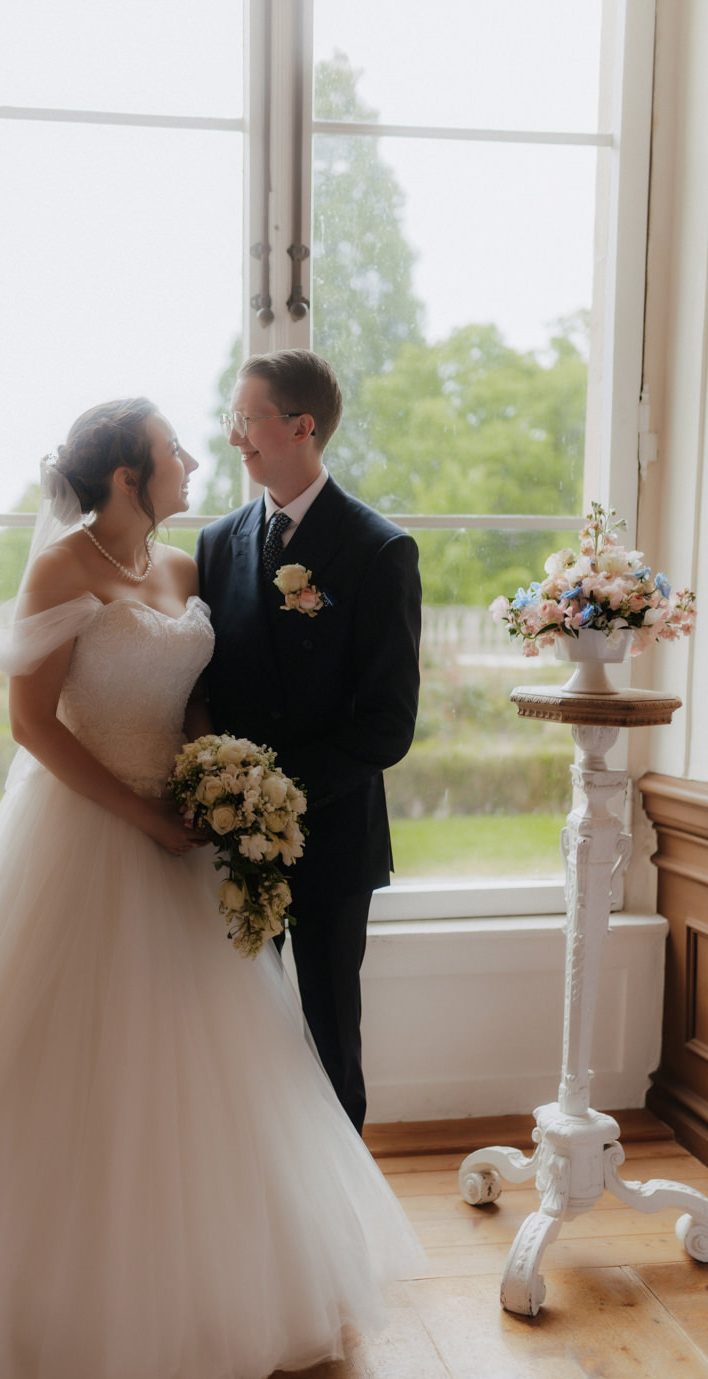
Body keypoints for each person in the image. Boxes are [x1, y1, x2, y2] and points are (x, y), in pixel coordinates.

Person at [0, 398, 424, 1379]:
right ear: (126, 474)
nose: (190, 458)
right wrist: (137, 813)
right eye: (170, 448)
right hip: (86, 834)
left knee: (204, 1074)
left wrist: (221, 784)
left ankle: (202, 1293)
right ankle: (36, 1307)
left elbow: (198, 701)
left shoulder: (182, 569)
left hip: (180, 837)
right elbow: (31, 722)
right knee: (57, 1064)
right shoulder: (62, 571)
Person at [196, 352, 422, 1134]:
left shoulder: (377, 550)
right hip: (228, 848)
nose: (234, 438)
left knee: (330, 1039)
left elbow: (388, 724)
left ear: (301, 427)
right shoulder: (217, 543)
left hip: (329, 844)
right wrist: (229, 802)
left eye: (247, 419)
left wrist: (277, 796)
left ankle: (347, 1229)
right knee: (237, 1037)